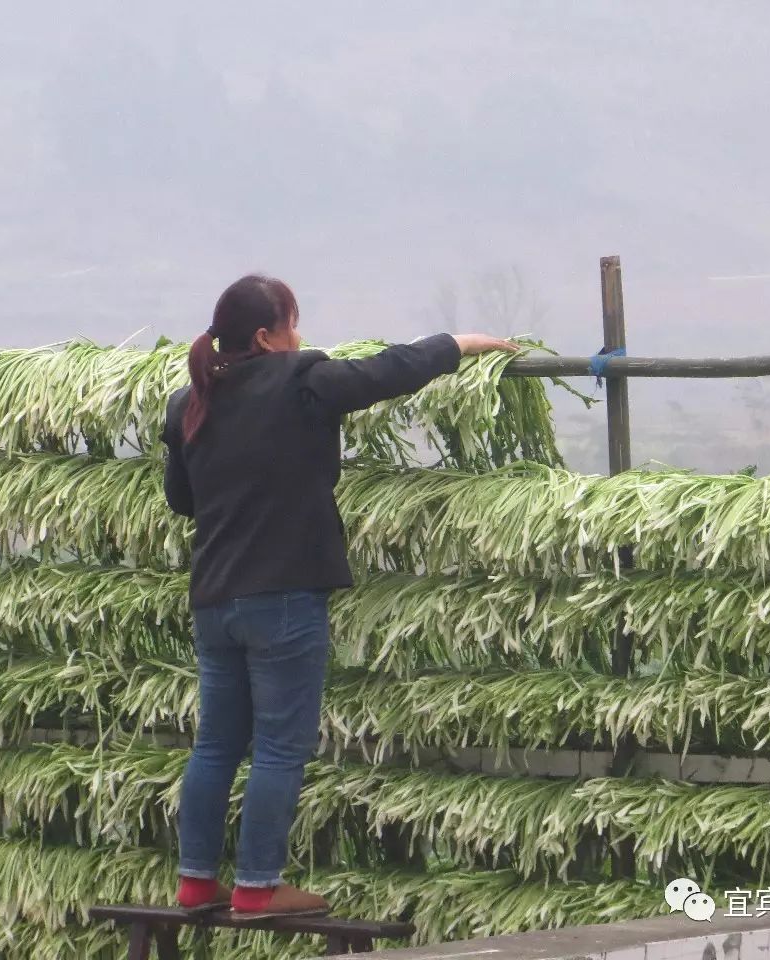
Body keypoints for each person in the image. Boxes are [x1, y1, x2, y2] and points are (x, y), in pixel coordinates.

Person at [160, 274, 518, 919]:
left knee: (215, 746)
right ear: (269, 337)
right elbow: (386, 372)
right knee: (278, 747)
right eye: (294, 323)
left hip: (214, 599)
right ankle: (257, 887)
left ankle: (194, 882)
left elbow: (182, 500)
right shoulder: (301, 380)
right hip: (284, 596)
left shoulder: (191, 400)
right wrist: (459, 344)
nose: (301, 335)